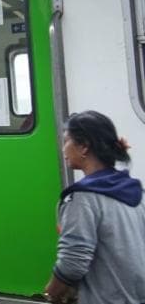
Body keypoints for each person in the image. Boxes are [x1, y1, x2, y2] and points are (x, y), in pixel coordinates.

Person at [44, 111, 145, 304]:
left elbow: (73, 262)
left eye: (66, 141)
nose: (63, 149)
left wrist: (52, 293)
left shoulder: (82, 198)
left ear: (83, 147)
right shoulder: (137, 191)